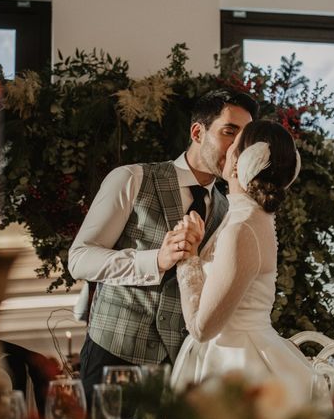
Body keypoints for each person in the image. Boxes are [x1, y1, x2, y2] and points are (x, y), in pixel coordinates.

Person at [68, 88, 259, 400]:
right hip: (114, 357)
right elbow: (79, 258)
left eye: (244, 138)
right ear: (198, 132)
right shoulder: (131, 178)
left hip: (180, 368)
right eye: (229, 132)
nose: (238, 147)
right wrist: (157, 259)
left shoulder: (228, 209)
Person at [170, 119, 315, 402]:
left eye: (234, 144)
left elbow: (202, 328)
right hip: (237, 349)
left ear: (240, 162)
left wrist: (187, 258)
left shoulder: (243, 228)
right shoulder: (248, 217)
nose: (227, 148)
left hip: (234, 363)